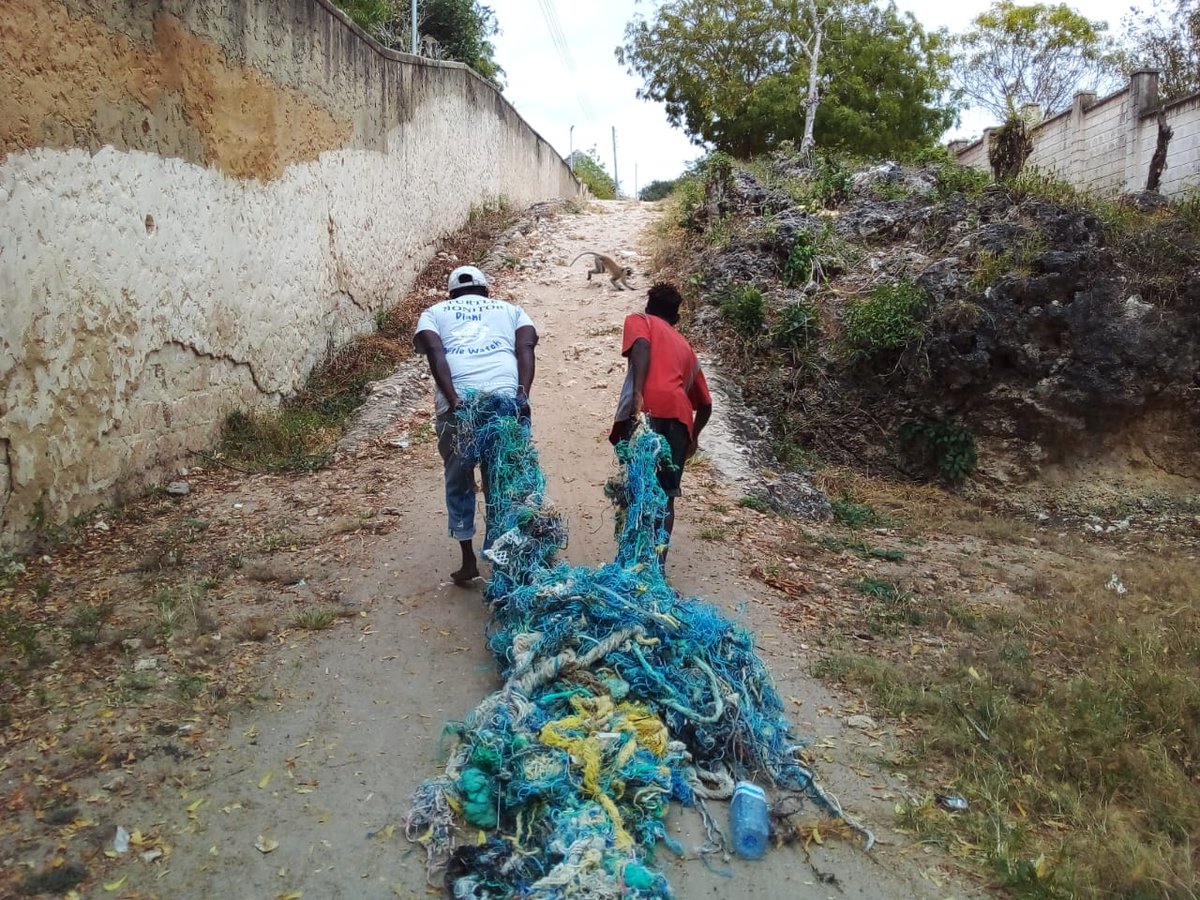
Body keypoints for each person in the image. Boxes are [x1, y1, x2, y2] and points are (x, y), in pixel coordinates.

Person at [414, 265, 538, 586]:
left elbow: (435, 353)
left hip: (460, 409)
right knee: (503, 481)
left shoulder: (434, 312)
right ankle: (500, 557)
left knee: (460, 480)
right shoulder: (511, 310)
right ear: (486, 291)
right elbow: (526, 347)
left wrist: (454, 399)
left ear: (451, 293)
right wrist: (522, 394)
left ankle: (469, 560)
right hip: (505, 402)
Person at [609, 282, 712, 562]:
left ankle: (630, 561)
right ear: (676, 318)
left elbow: (641, 346)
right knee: (666, 495)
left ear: (648, 306)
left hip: (648, 412)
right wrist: (695, 437)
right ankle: (656, 568)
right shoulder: (687, 348)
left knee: (637, 484)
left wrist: (638, 393)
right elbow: (705, 404)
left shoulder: (639, 321)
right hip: (680, 419)